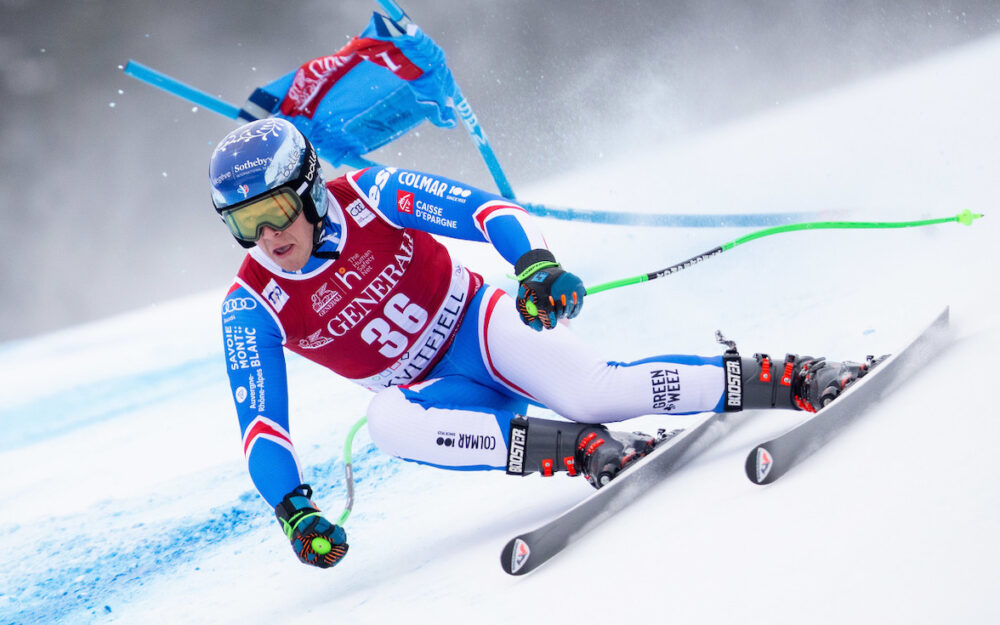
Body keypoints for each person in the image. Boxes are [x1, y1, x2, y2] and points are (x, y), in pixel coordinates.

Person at [212, 118, 872, 569]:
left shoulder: (370, 194)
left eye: (273, 210)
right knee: (386, 420)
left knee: (598, 389)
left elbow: (485, 210)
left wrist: (534, 265)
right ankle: (584, 448)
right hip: (435, 392)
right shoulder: (249, 306)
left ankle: (792, 376)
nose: (267, 237)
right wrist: (294, 510)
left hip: (479, 324)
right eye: (244, 223)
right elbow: (262, 426)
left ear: (309, 190)